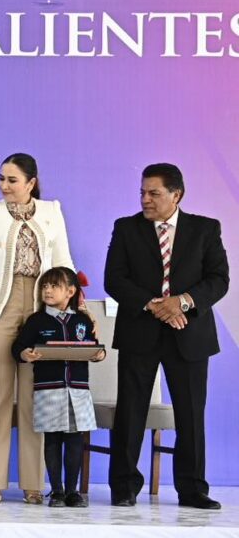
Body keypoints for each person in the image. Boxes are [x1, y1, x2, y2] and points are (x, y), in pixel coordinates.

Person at [105, 163, 228, 510]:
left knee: (191, 414)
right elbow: (114, 279)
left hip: (189, 334)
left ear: (177, 194)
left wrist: (183, 303)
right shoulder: (126, 228)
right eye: (142, 192)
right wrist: (154, 305)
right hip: (139, 333)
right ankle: (124, 487)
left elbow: (219, 279)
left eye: (153, 193)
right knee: (130, 412)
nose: (145, 199)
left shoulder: (205, 229)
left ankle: (192, 490)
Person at [0, 152, 74, 505]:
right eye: (1, 179)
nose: (4, 186)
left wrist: (71, 305)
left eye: (12, 180)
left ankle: (33, 484)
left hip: (42, 310)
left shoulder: (52, 211)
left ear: (31, 182)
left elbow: (63, 263)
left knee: (33, 399)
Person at [13, 267, 104, 509]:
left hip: (78, 390)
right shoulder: (37, 321)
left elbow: (92, 346)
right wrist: (26, 354)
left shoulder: (82, 321)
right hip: (48, 389)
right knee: (52, 440)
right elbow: (17, 348)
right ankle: (56, 491)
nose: (48, 290)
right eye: (44, 286)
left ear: (71, 291)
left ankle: (73, 491)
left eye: (54, 286)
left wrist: (98, 353)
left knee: (75, 440)